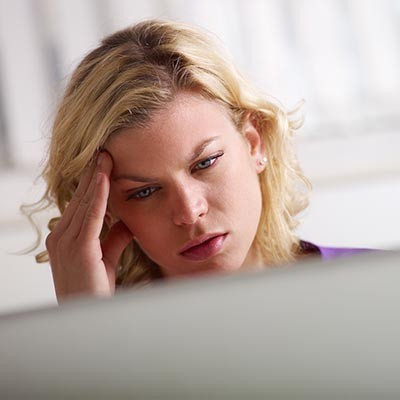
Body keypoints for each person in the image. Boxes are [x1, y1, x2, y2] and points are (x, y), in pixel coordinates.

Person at [26, 18, 367, 302]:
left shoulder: (375, 290)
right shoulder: (96, 347)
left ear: (254, 143)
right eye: (144, 192)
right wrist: (86, 325)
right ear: (105, 210)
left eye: (205, 163)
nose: (189, 212)